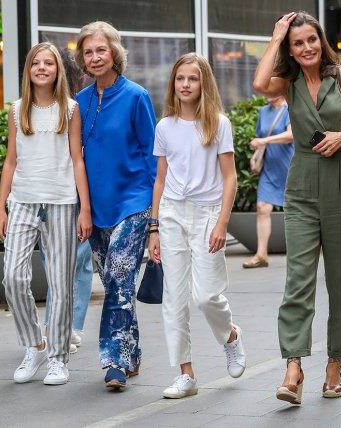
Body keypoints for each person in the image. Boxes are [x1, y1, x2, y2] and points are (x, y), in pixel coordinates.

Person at [253, 11, 341, 405]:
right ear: (290, 49)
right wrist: (276, 36)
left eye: (311, 40)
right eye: (297, 43)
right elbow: (259, 83)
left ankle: (335, 363)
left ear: (320, 41)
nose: (306, 47)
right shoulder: (288, 81)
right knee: (297, 280)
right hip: (302, 185)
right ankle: (293, 367)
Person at [148, 53, 246, 400]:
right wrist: (154, 228)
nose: (185, 85)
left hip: (207, 214)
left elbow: (230, 177)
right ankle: (185, 373)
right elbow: (159, 180)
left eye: (192, 78)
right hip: (172, 213)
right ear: (173, 84)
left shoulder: (218, 123)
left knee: (206, 295)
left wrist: (222, 222)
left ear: (203, 83)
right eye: (180, 79)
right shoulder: (164, 127)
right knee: (173, 297)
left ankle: (230, 336)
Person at [0, 42, 92, 386]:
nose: (41, 67)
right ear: (28, 69)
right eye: (36, 62)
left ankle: (58, 358)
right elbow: (10, 161)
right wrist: (0, 206)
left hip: (62, 202)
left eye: (48, 63)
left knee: (60, 284)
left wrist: (85, 210)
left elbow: (77, 159)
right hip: (22, 200)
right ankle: (35, 344)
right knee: (13, 277)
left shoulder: (70, 109)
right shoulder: (17, 109)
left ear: (57, 70)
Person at [74, 21, 157, 389]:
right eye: (88, 52)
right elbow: (75, 159)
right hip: (97, 207)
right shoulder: (79, 102)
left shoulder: (137, 96)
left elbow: (155, 158)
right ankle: (132, 353)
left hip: (134, 203)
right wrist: (83, 208)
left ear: (115, 54)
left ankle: (115, 362)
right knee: (114, 285)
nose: (94, 57)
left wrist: (155, 217)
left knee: (121, 278)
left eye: (101, 50)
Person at [42, 47, 93, 354]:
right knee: (62, 264)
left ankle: (69, 327)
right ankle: (58, 326)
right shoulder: (38, 107)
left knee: (78, 260)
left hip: (75, 192)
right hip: (51, 194)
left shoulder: (78, 106)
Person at [242, 96, 294, 269]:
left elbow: (290, 135)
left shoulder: (289, 108)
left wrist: (264, 141)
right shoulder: (263, 111)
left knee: (297, 211)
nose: (265, 92)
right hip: (269, 168)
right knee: (262, 207)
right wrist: (256, 155)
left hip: (290, 167)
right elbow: (260, 136)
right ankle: (261, 254)